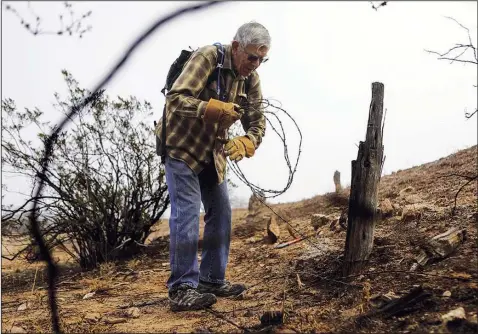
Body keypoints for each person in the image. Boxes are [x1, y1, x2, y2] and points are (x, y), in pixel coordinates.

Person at [156, 21, 270, 312]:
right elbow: (176, 99)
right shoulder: (208, 57)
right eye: (252, 57)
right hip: (181, 146)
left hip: (212, 153)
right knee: (187, 212)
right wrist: (209, 108)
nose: (255, 64)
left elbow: (257, 121)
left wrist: (248, 140)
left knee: (221, 212)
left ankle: (211, 280)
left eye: (262, 58)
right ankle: (182, 288)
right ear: (236, 47)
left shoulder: (250, 79)